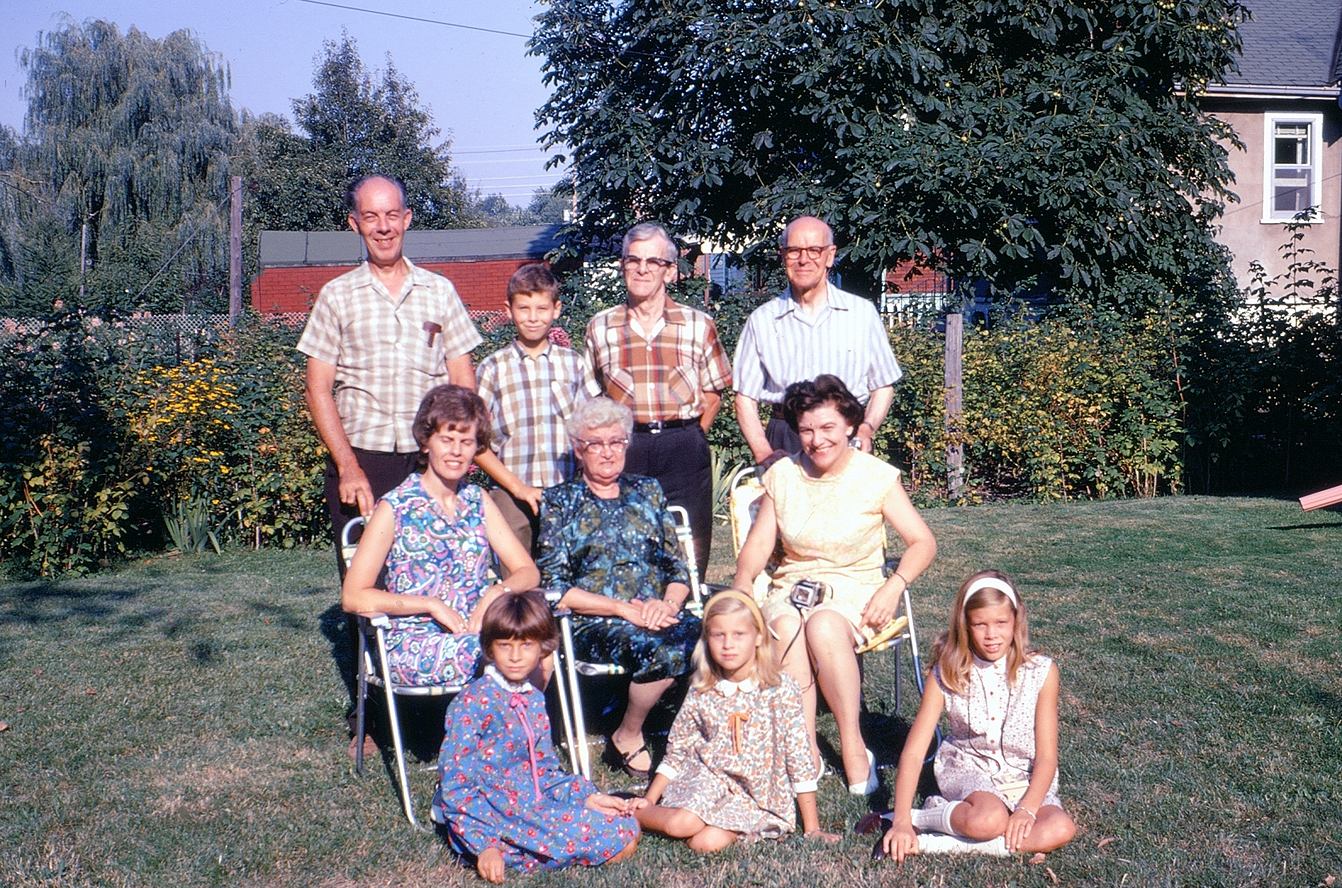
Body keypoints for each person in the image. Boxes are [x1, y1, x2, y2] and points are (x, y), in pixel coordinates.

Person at [731, 375, 937, 794]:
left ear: (849, 425)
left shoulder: (875, 476)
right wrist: (740, 586)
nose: (817, 439)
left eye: (827, 427)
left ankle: (853, 744)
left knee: (823, 625)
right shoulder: (783, 475)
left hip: (856, 587)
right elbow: (758, 547)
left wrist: (893, 587)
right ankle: (804, 746)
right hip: (793, 585)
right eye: (806, 430)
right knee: (786, 626)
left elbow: (923, 543)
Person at [298, 174, 481, 552]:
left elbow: (463, 379)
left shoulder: (440, 291)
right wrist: (348, 466)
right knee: (367, 580)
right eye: (371, 216)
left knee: (433, 570)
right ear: (355, 224)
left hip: (428, 461)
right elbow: (317, 389)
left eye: (391, 215)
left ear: (407, 218)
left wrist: (457, 448)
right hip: (362, 463)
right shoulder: (336, 296)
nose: (383, 227)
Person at [537, 396, 702, 781]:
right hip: (593, 621)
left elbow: (676, 567)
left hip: (658, 614)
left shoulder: (648, 490)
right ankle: (628, 732)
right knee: (664, 649)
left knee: (721, 638)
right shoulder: (560, 502)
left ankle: (705, 737)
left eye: (616, 441)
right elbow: (557, 589)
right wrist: (623, 609)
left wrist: (668, 604)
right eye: (596, 444)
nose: (608, 452)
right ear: (578, 449)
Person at [433, 590, 642, 882]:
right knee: (622, 838)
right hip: (490, 813)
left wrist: (586, 798)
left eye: (526, 645)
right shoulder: (473, 702)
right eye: (505, 645)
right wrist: (484, 844)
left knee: (624, 825)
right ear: (490, 648)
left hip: (531, 805)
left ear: (542, 647)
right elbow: (456, 782)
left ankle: (543, 843)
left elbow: (544, 770)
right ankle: (504, 848)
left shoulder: (532, 698)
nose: (515, 656)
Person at [341, 385, 539, 689]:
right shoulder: (396, 506)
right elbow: (353, 596)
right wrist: (430, 604)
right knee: (507, 655)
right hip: (414, 642)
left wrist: (495, 593)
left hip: (480, 631)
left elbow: (528, 572)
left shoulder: (477, 500)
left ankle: (520, 721)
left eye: (466, 442)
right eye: (446, 440)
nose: (456, 451)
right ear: (425, 443)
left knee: (538, 648)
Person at [881, 570, 1077, 861]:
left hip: (1023, 775)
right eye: (979, 624)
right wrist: (901, 821)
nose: (991, 634)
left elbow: (1047, 757)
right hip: (971, 768)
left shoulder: (1042, 672)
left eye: (1001, 623)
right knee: (989, 820)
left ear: (1016, 620)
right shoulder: (946, 673)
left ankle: (934, 843)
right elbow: (914, 751)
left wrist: (1026, 809)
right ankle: (917, 817)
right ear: (965, 625)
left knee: (1060, 828)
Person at [634, 590, 840, 852]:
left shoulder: (781, 689)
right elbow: (678, 750)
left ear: (758, 637)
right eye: (718, 635)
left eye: (738, 634)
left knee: (705, 844)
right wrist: (650, 799)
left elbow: (798, 756)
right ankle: (633, 812)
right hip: (707, 782)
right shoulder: (703, 689)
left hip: (757, 795)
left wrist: (812, 828)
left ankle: (725, 824)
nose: (728, 644)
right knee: (682, 824)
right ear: (707, 639)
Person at [583, 222, 732, 579]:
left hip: (683, 448)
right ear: (622, 266)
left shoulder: (698, 324)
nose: (642, 269)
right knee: (626, 554)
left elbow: (714, 392)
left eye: (653, 261)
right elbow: (592, 399)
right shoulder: (600, 327)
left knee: (688, 555)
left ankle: (687, 610)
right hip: (626, 449)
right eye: (633, 260)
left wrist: (690, 435)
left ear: (669, 270)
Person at [732, 215, 902, 464]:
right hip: (786, 438)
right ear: (783, 256)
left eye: (814, 250)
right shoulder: (762, 320)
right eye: (794, 251)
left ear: (830, 256)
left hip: (846, 436)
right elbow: (745, 397)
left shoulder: (861, 314)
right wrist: (764, 454)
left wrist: (866, 429)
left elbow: (883, 386)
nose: (803, 259)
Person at [475, 263, 597, 553]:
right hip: (511, 491)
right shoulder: (492, 368)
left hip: (564, 488)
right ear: (509, 310)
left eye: (542, 309)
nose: (532, 318)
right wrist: (515, 486)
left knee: (565, 569)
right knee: (518, 573)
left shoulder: (574, 363)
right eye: (524, 308)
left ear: (556, 309)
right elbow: (475, 441)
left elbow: (593, 427)